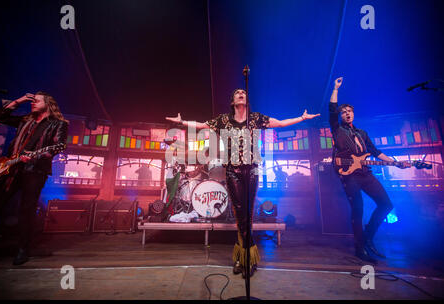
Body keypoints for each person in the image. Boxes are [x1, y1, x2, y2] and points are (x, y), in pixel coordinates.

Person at [166, 88, 319, 277]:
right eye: (237, 93)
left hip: (251, 170)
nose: (240, 93)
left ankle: (242, 258)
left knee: (248, 214)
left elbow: (279, 123)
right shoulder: (223, 120)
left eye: (243, 92)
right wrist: (182, 122)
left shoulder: (255, 118)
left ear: (247, 99)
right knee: (240, 215)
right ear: (233, 101)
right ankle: (247, 258)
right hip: (232, 171)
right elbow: (201, 125)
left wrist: (301, 119)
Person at [329, 77, 409, 263]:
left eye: (349, 111)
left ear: (354, 114)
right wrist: (335, 89)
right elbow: (331, 110)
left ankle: (367, 237)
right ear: (340, 117)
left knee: (386, 205)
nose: (347, 114)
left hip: (365, 173)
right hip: (349, 175)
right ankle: (359, 248)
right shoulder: (337, 130)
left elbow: (375, 152)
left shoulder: (362, 133)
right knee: (358, 208)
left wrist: (395, 163)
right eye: (344, 112)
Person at [0, 92, 68, 265]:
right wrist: (19, 101)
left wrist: (38, 156)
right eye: (32, 101)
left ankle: (23, 249)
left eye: (37, 101)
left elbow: (59, 146)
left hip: (34, 170)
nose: (33, 103)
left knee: (26, 210)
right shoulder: (25, 121)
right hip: (9, 168)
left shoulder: (58, 124)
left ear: (48, 104)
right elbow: (0, 116)